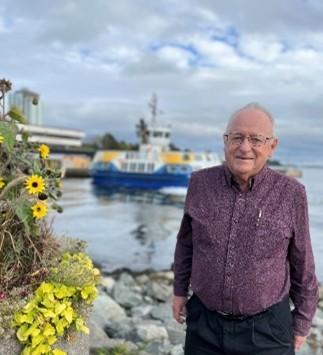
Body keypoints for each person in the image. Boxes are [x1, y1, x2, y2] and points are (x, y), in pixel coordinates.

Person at [172, 103, 319, 355]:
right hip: (204, 325)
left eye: (256, 139)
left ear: (272, 146)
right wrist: (179, 290)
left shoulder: (292, 193)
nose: (244, 147)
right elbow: (186, 242)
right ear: (225, 141)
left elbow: (302, 260)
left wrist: (303, 322)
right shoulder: (200, 183)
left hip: (267, 332)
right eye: (237, 137)